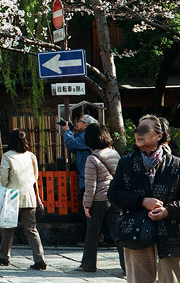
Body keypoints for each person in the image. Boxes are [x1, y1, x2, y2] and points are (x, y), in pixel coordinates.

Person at [108, 115, 180, 282]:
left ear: (159, 135)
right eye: (137, 130)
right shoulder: (126, 163)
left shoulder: (176, 165)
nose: (138, 134)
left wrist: (168, 211)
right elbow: (114, 194)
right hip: (136, 230)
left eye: (144, 130)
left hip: (170, 233)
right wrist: (141, 201)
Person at [0, 129, 46, 270]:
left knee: (8, 227)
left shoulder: (7, 156)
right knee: (32, 230)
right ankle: (39, 259)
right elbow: (35, 177)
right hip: (29, 197)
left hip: (12, 198)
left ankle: (4, 257)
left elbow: (4, 180)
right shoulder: (31, 156)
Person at [78, 123, 124, 273]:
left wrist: (86, 205)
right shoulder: (114, 153)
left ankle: (88, 265)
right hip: (114, 198)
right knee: (118, 234)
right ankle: (127, 265)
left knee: (92, 233)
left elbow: (90, 185)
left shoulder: (92, 158)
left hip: (98, 200)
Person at [63, 114, 98, 191]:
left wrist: (67, 131)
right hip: (85, 172)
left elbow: (71, 144)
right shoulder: (83, 135)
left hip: (86, 174)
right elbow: (71, 148)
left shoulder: (85, 136)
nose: (77, 123)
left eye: (79, 121)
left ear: (85, 125)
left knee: (87, 197)